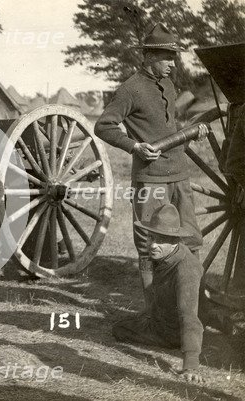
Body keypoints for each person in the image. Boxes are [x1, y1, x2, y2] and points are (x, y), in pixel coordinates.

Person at [94, 23, 207, 309]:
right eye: (167, 57)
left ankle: (193, 305)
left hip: (179, 176)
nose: (173, 63)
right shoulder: (130, 90)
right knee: (149, 245)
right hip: (151, 179)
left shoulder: (168, 85)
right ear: (149, 57)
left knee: (191, 238)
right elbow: (103, 126)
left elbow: (170, 125)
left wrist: (194, 131)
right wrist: (135, 146)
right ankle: (154, 310)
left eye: (173, 57)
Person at [112, 204, 204, 383]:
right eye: (150, 237)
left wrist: (191, 363)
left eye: (161, 240)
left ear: (176, 241)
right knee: (123, 324)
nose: (153, 245)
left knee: (119, 329)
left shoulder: (186, 270)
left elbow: (189, 317)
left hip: (173, 332)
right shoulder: (168, 255)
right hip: (164, 318)